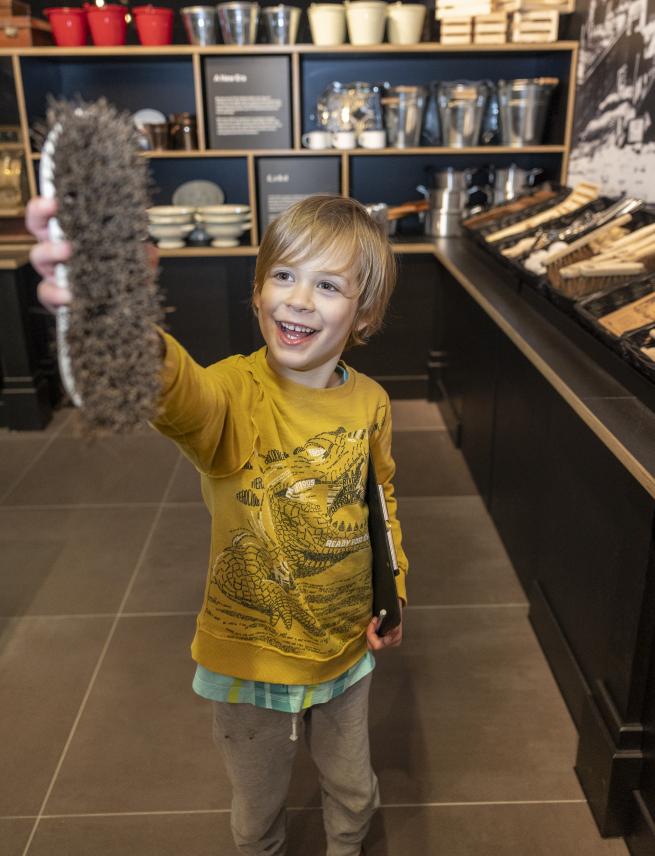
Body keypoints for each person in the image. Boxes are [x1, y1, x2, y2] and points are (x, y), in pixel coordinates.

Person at [26, 193, 408, 856]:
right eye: (282, 276)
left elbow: (380, 502)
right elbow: (179, 394)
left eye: (326, 285)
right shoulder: (234, 393)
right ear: (256, 291)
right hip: (249, 658)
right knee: (256, 812)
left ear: (364, 310)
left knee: (353, 791)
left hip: (344, 647)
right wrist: (120, 319)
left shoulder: (370, 401)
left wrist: (391, 586)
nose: (297, 300)